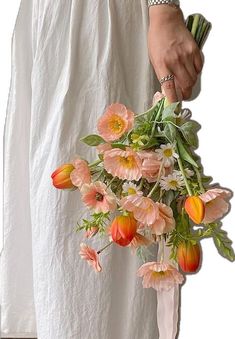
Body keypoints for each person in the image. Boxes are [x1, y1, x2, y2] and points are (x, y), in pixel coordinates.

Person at [1, 1, 203, 339]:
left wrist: (163, 8)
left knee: (96, 275)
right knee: (58, 240)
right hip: (59, 25)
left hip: (100, 25)